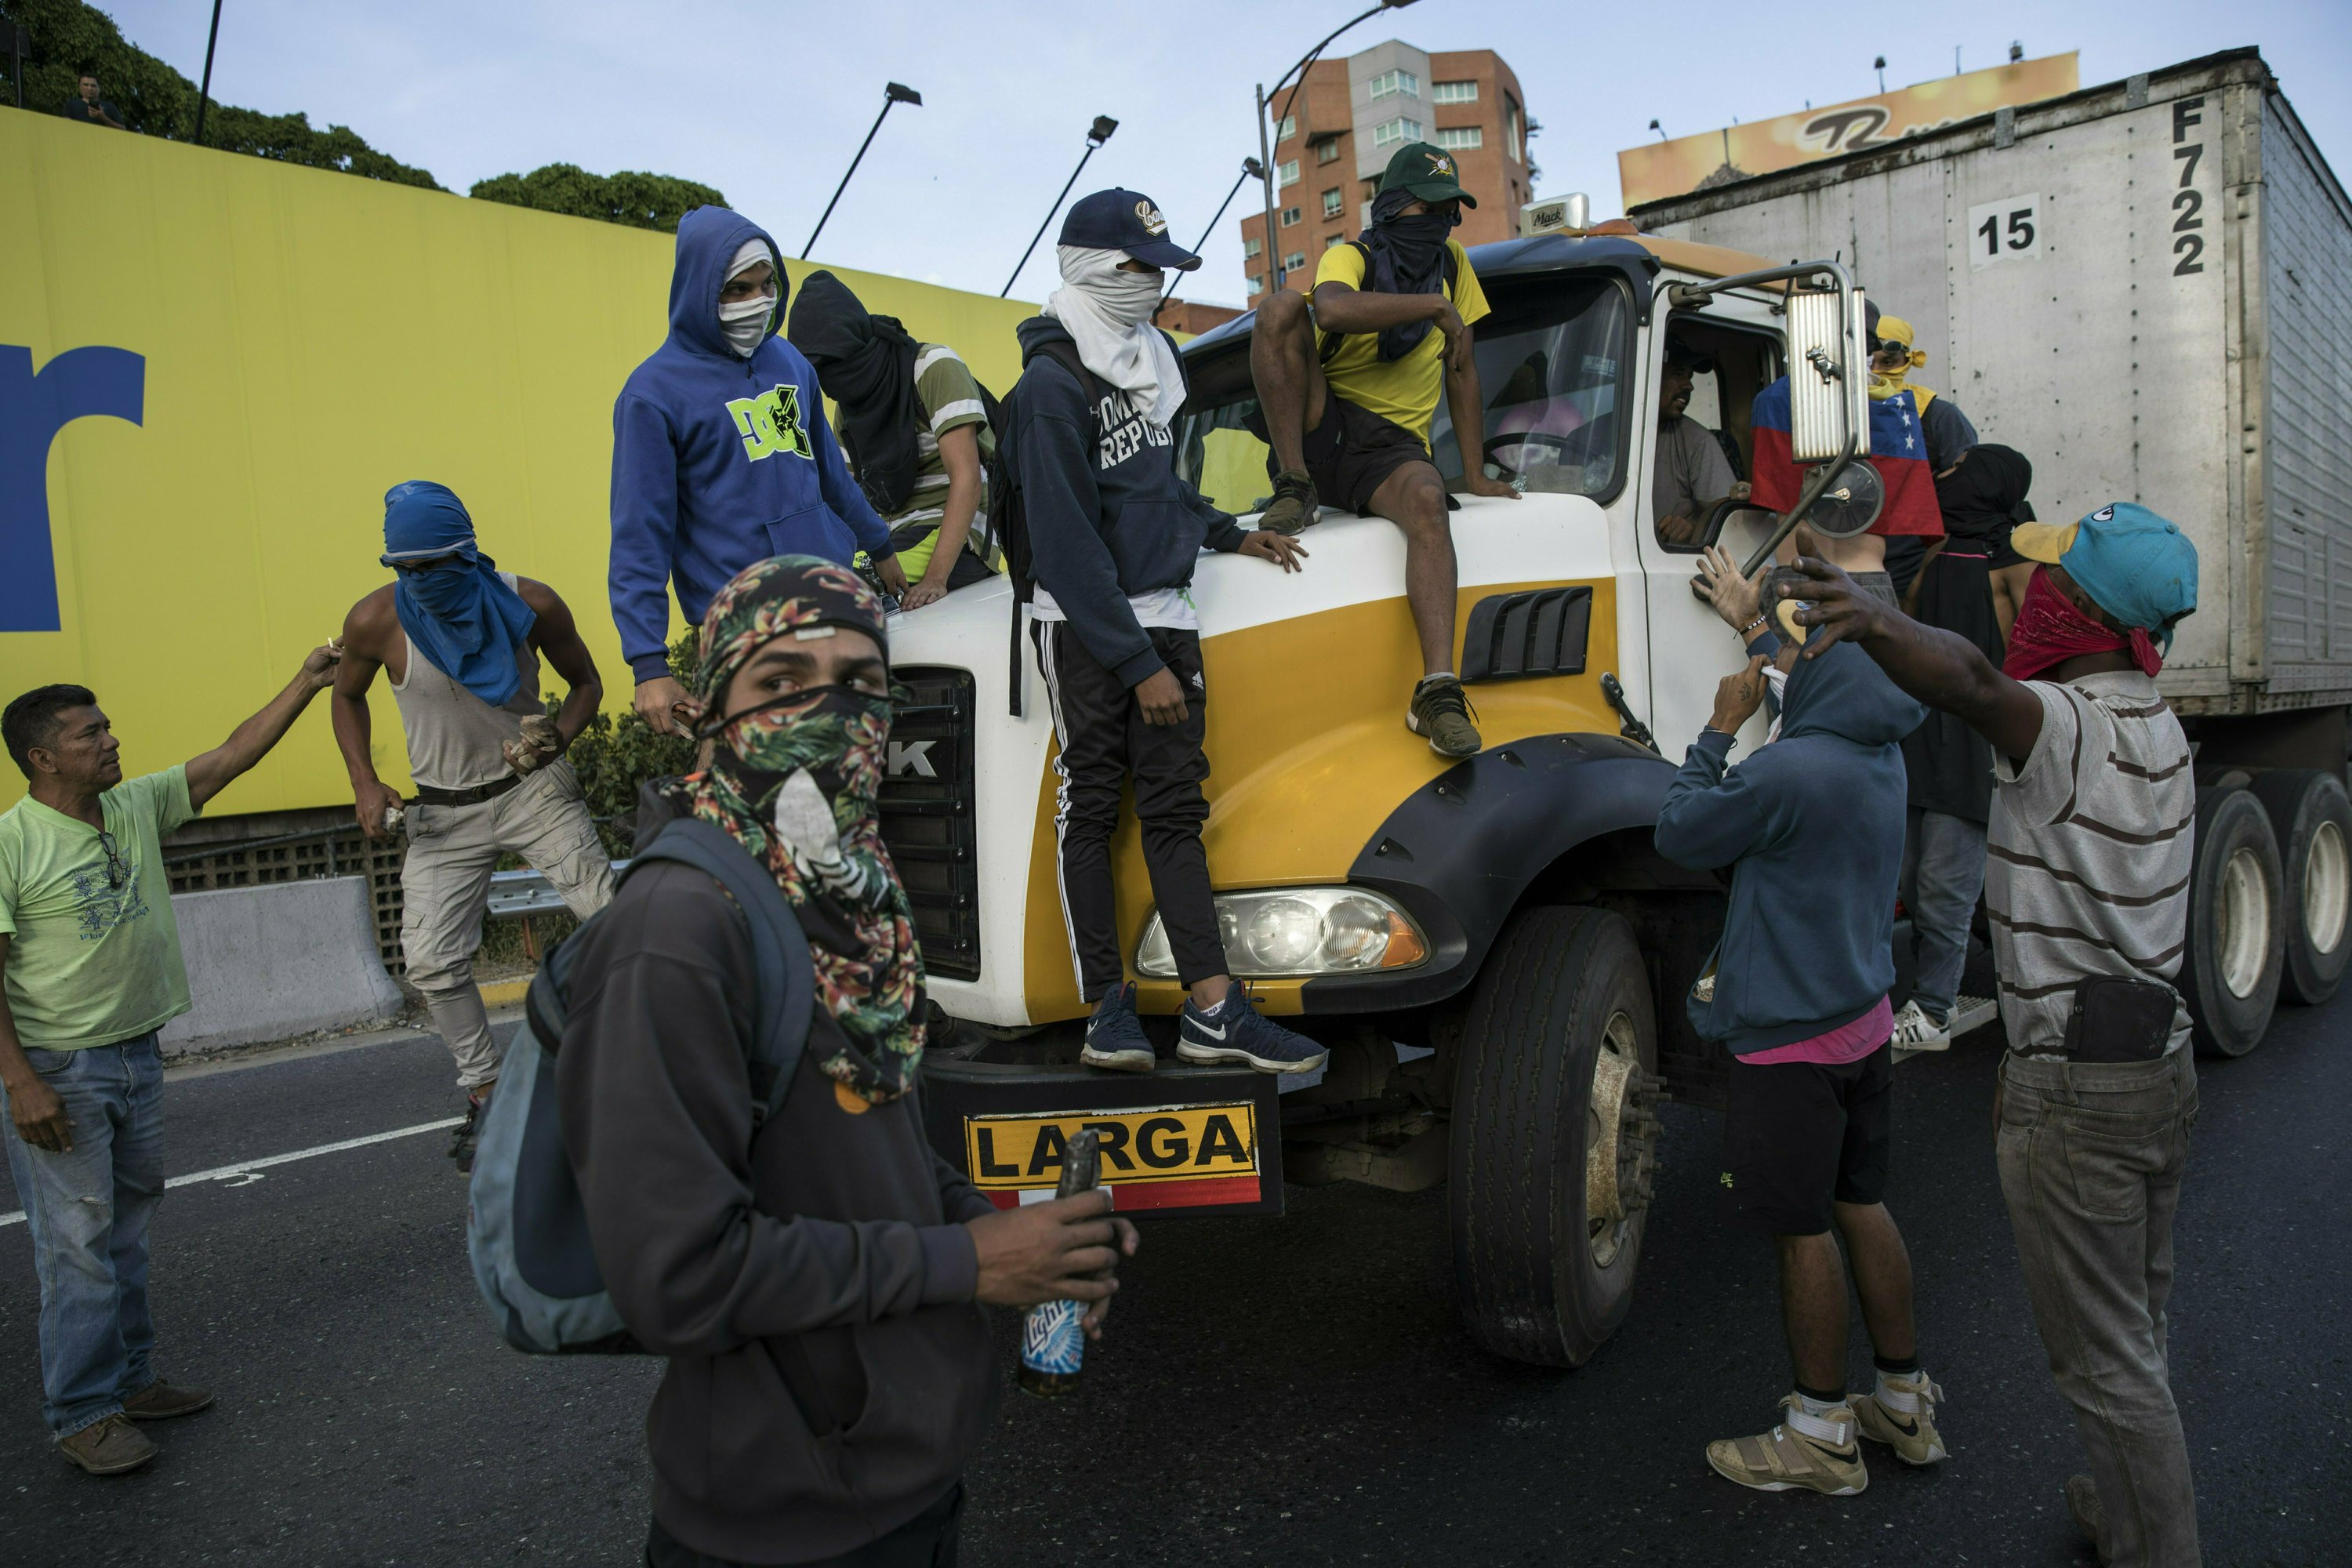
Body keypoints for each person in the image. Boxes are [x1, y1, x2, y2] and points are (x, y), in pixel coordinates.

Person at [562, 554, 1138, 1566]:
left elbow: (888, 1165)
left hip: (907, 1479)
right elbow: (675, 1276)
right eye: (781, 683)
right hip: (782, 1523)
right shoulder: (677, 930)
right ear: (712, 712)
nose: (830, 709)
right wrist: (968, 1263)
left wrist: (1021, 1241)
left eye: (863, 683)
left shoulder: (848, 905)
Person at [1784, 503, 2201, 1567]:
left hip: (2078, 1090)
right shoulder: (2161, 725)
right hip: (2158, 1064)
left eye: (2048, 580)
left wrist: (1871, 618)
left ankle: (2159, 1547)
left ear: (2082, 610)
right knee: (2135, 1331)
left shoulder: (2070, 728)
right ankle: (2123, 1509)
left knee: (2107, 1362)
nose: (2030, 589)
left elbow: (1971, 683)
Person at [1005, 188, 1326, 1076]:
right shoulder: (1049, 388)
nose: (1154, 286)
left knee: (1177, 817)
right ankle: (1106, 1008)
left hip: (1168, 623)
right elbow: (1067, 548)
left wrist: (1227, 530)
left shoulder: (1148, 361)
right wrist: (1137, 661)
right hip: (1092, 634)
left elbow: (1158, 491)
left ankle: (1213, 1009)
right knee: (1094, 809)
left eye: (1161, 269)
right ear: (1097, 269)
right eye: (1142, 267)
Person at [1, 646, 340, 1475]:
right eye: (91, 733)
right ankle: (82, 1413)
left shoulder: (135, 805)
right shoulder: (13, 841)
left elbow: (232, 755)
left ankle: (130, 1379)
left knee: (125, 1230)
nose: (111, 740)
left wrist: (308, 679)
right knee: (75, 1243)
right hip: (61, 1067)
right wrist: (20, 1079)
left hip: (137, 1055)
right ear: (45, 756)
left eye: (107, 725)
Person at [1653, 621, 1946, 1499]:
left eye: (1791, 657)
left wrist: (1716, 730)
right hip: (1862, 1019)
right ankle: (1901, 1398)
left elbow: (1680, 832)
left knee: (1802, 1228)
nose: (1777, 668)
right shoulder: (1882, 753)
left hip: (1786, 1037)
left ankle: (1819, 1432)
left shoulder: (1788, 770)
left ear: (1823, 676)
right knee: (1861, 1202)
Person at [329, 481, 615, 1170]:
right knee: (430, 962)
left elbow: (586, 685)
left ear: (468, 552)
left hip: (532, 791)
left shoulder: (530, 601)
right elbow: (345, 698)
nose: (419, 581)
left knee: (611, 921)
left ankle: (623, 1072)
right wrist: (364, 780)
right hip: (441, 813)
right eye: (406, 569)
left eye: (434, 565)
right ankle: (487, 1096)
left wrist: (558, 739)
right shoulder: (375, 621)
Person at [1245, 142, 1519, 757]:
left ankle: (1437, 691)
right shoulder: (1353, 255)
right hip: (1328, 423)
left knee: (1428, 499)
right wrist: (1436, 307)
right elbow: (1333, 310)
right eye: (1432, 209)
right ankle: (1295, 484)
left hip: (1391, 453)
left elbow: (1462, 370)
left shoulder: (1452, 265)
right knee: (1282, 306)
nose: (1444, 225)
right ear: (1395, 207)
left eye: (1454, 212)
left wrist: (1473, 474)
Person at [611, 206, 905, 738]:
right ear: (702, 290)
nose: (758, 302)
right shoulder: (652, 395)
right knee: (759, 783)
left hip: (831, 600)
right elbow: (640, 535)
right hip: (747, 627)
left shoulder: (791, 363)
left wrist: (880, 545)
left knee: (846, 780)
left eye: (767, 284)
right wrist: (647, 663)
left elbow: (831, 476)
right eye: (738, 290)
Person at [1883, 444, 2036, 1050]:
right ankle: (1940, 987)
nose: (1945, 477)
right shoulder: (1938, 551)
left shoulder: (2018, 560)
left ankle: (1935, 1010)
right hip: (1921, 732)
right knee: (1910, 878)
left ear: (1988, 483)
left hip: (1973, 739)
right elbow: (1911, 627)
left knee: (1946, 882)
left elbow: (2034, 662)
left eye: (1959, 469)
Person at [788, 270, 996, 610]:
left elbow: (968, 480)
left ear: (850, 346)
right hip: (892, 536)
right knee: (821, 588)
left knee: (851, 591)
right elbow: (847, 501)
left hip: (959, 532)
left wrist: (935, 579)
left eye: (829, 364)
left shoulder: (931, 367)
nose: (828, 380)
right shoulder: (848, 411)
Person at [1748, 299, 1944, 606]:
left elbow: (1773, 486)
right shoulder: (1895, 412)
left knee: (1787, 657)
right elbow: (1905, 502)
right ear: (1867, 347)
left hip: (1796, 575)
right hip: (1867, 580)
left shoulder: (1771, 403)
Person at [1870, 314, 1981, 599]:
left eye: (1888, 363)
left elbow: (1968, 496)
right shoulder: (1835, 416)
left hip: (1917, 561)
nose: (1876, 373)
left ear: (1908, 360)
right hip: (1852, 557)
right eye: (1869, 362)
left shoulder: (1936, 415)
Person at [1653, 339, 1752, 546]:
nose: (1689, 385)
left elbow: (1728, 520)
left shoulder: (1699, 442)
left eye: (1689, 377)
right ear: (1651, 376)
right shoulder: (1602, 434)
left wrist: (1694, 529)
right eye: (1678, 373)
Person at [58, 68, 127, 129]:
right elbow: (66, 126)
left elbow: (123, 130)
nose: (89, 88)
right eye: (86, 85)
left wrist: (104, 118)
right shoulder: (71, 105)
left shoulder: (110, 107)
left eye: (93, 86)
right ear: (80, 87)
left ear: (99, 88)